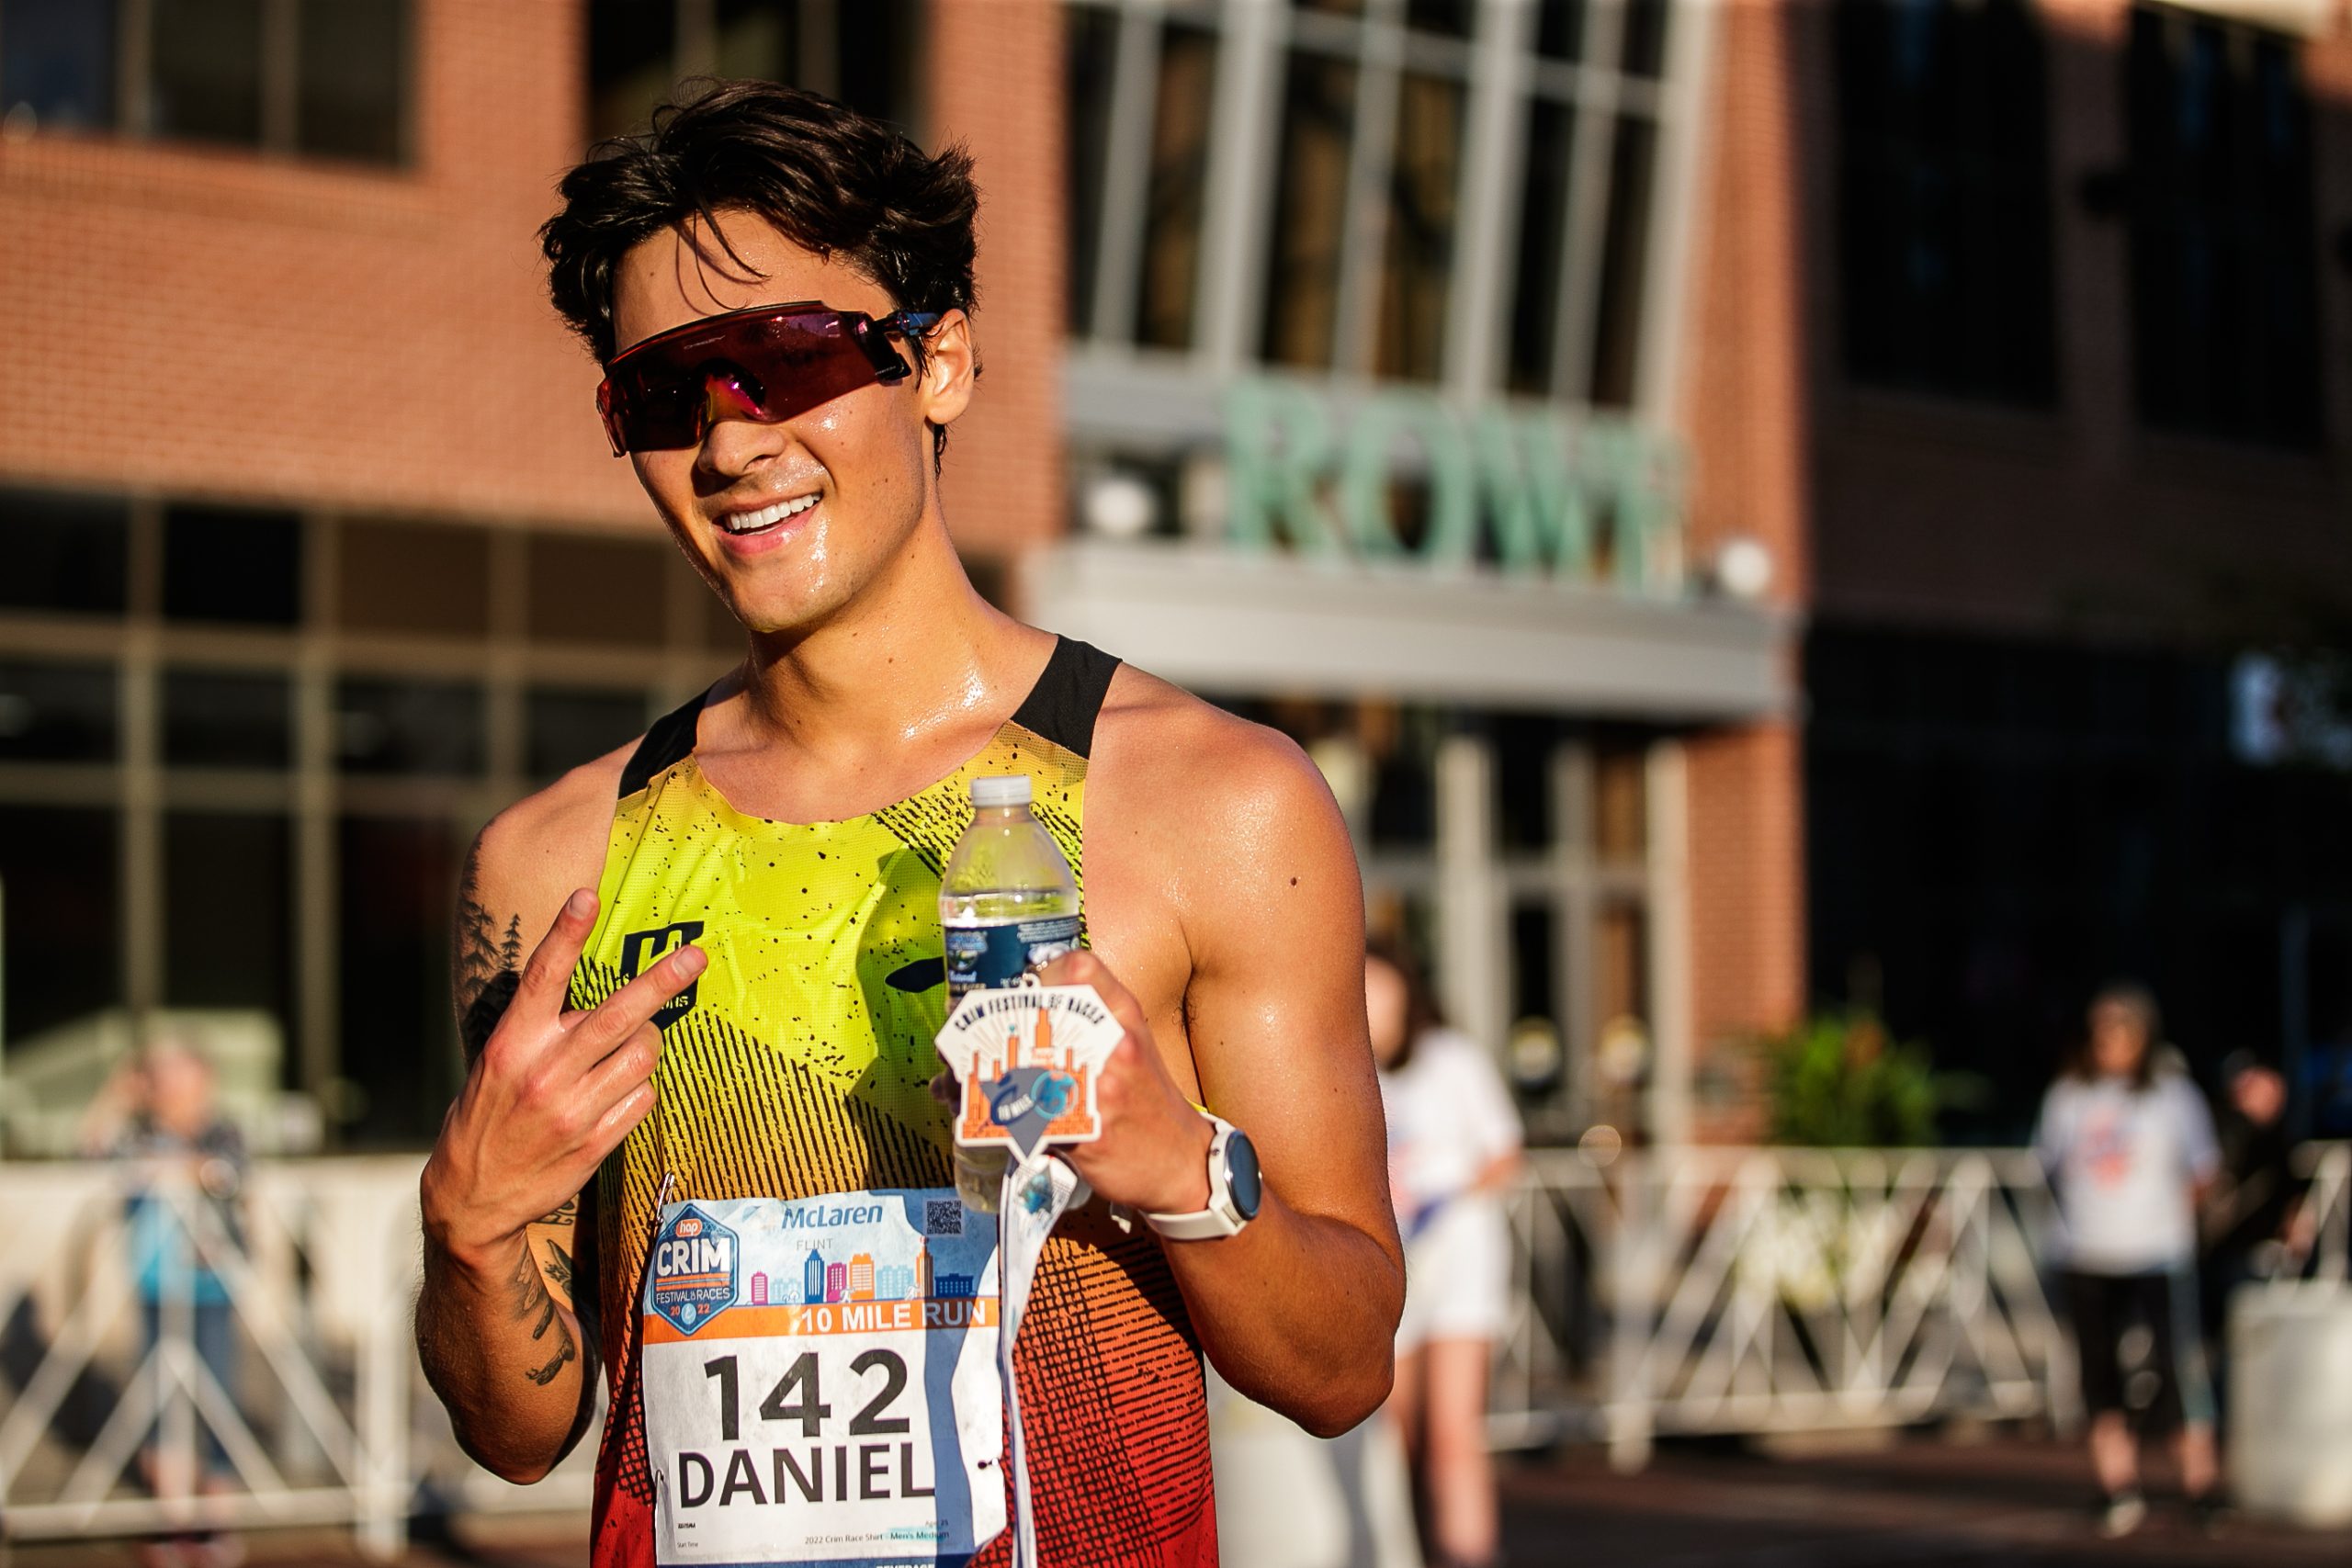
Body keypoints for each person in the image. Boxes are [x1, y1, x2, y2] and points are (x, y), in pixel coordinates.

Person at [413, 81, 1403, 1568]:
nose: (730, 443)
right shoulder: (552, 859)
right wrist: (468, 1224)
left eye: (784, 359)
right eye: (665, 397)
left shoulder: (1212, 801)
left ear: (937, 360)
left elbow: (1343, 1366)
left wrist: (1181, 1169)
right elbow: (519, 1431)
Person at [2033, 984, 2221, 1539]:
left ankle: (2200, 1486)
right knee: (2099, 1374)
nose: (2109, 1040)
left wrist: (2171, 1221)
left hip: (2158, 1253)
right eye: (2102, 1029)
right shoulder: (2069, 1096)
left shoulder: (2173, 1095)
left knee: (2179, 1368)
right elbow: (2048, 1166)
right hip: (2086, 1252)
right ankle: (2117, 1486)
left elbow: (2203, 1171)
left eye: (2121, 1028)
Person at [1364, 938, 1521, 1568]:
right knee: (1393, 1435)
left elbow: (1506, 1153)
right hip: (1388, 1267)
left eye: (1381, 991)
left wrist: (1444, 1199)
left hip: (1458, 1262)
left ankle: (1469, 1554)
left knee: (1454, 1433)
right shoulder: (1344, 1071)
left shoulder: (1451, 1059)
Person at [83, 1041, 250, 1568]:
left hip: (211, 1285)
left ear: (202, 1079)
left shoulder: (223, 1129)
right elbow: (89, 1147)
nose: (170, 1087)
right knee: (158, 1403)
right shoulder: (137, 1132)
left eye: (179, 1075)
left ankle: (214, 1524)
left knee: (217, 1398)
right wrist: (118, 1093)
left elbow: (228, 1175)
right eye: (161, 1076)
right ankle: (171, 1521)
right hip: (156, 1283)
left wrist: (177, 1168)